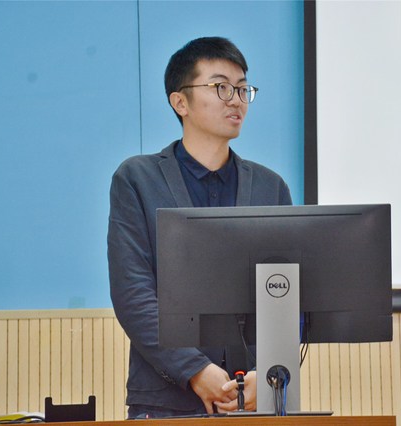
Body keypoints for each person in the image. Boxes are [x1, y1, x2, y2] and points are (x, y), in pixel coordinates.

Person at [107, 36, 292, 419]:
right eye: (221, 87)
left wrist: (268, 373)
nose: (236, 100)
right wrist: (194, 370)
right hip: (164, 400)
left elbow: (286, 294)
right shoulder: (137, 179)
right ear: (180, 102)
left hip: (253, 399)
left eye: (242, 89)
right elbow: (133, 293)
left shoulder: (270, 187)